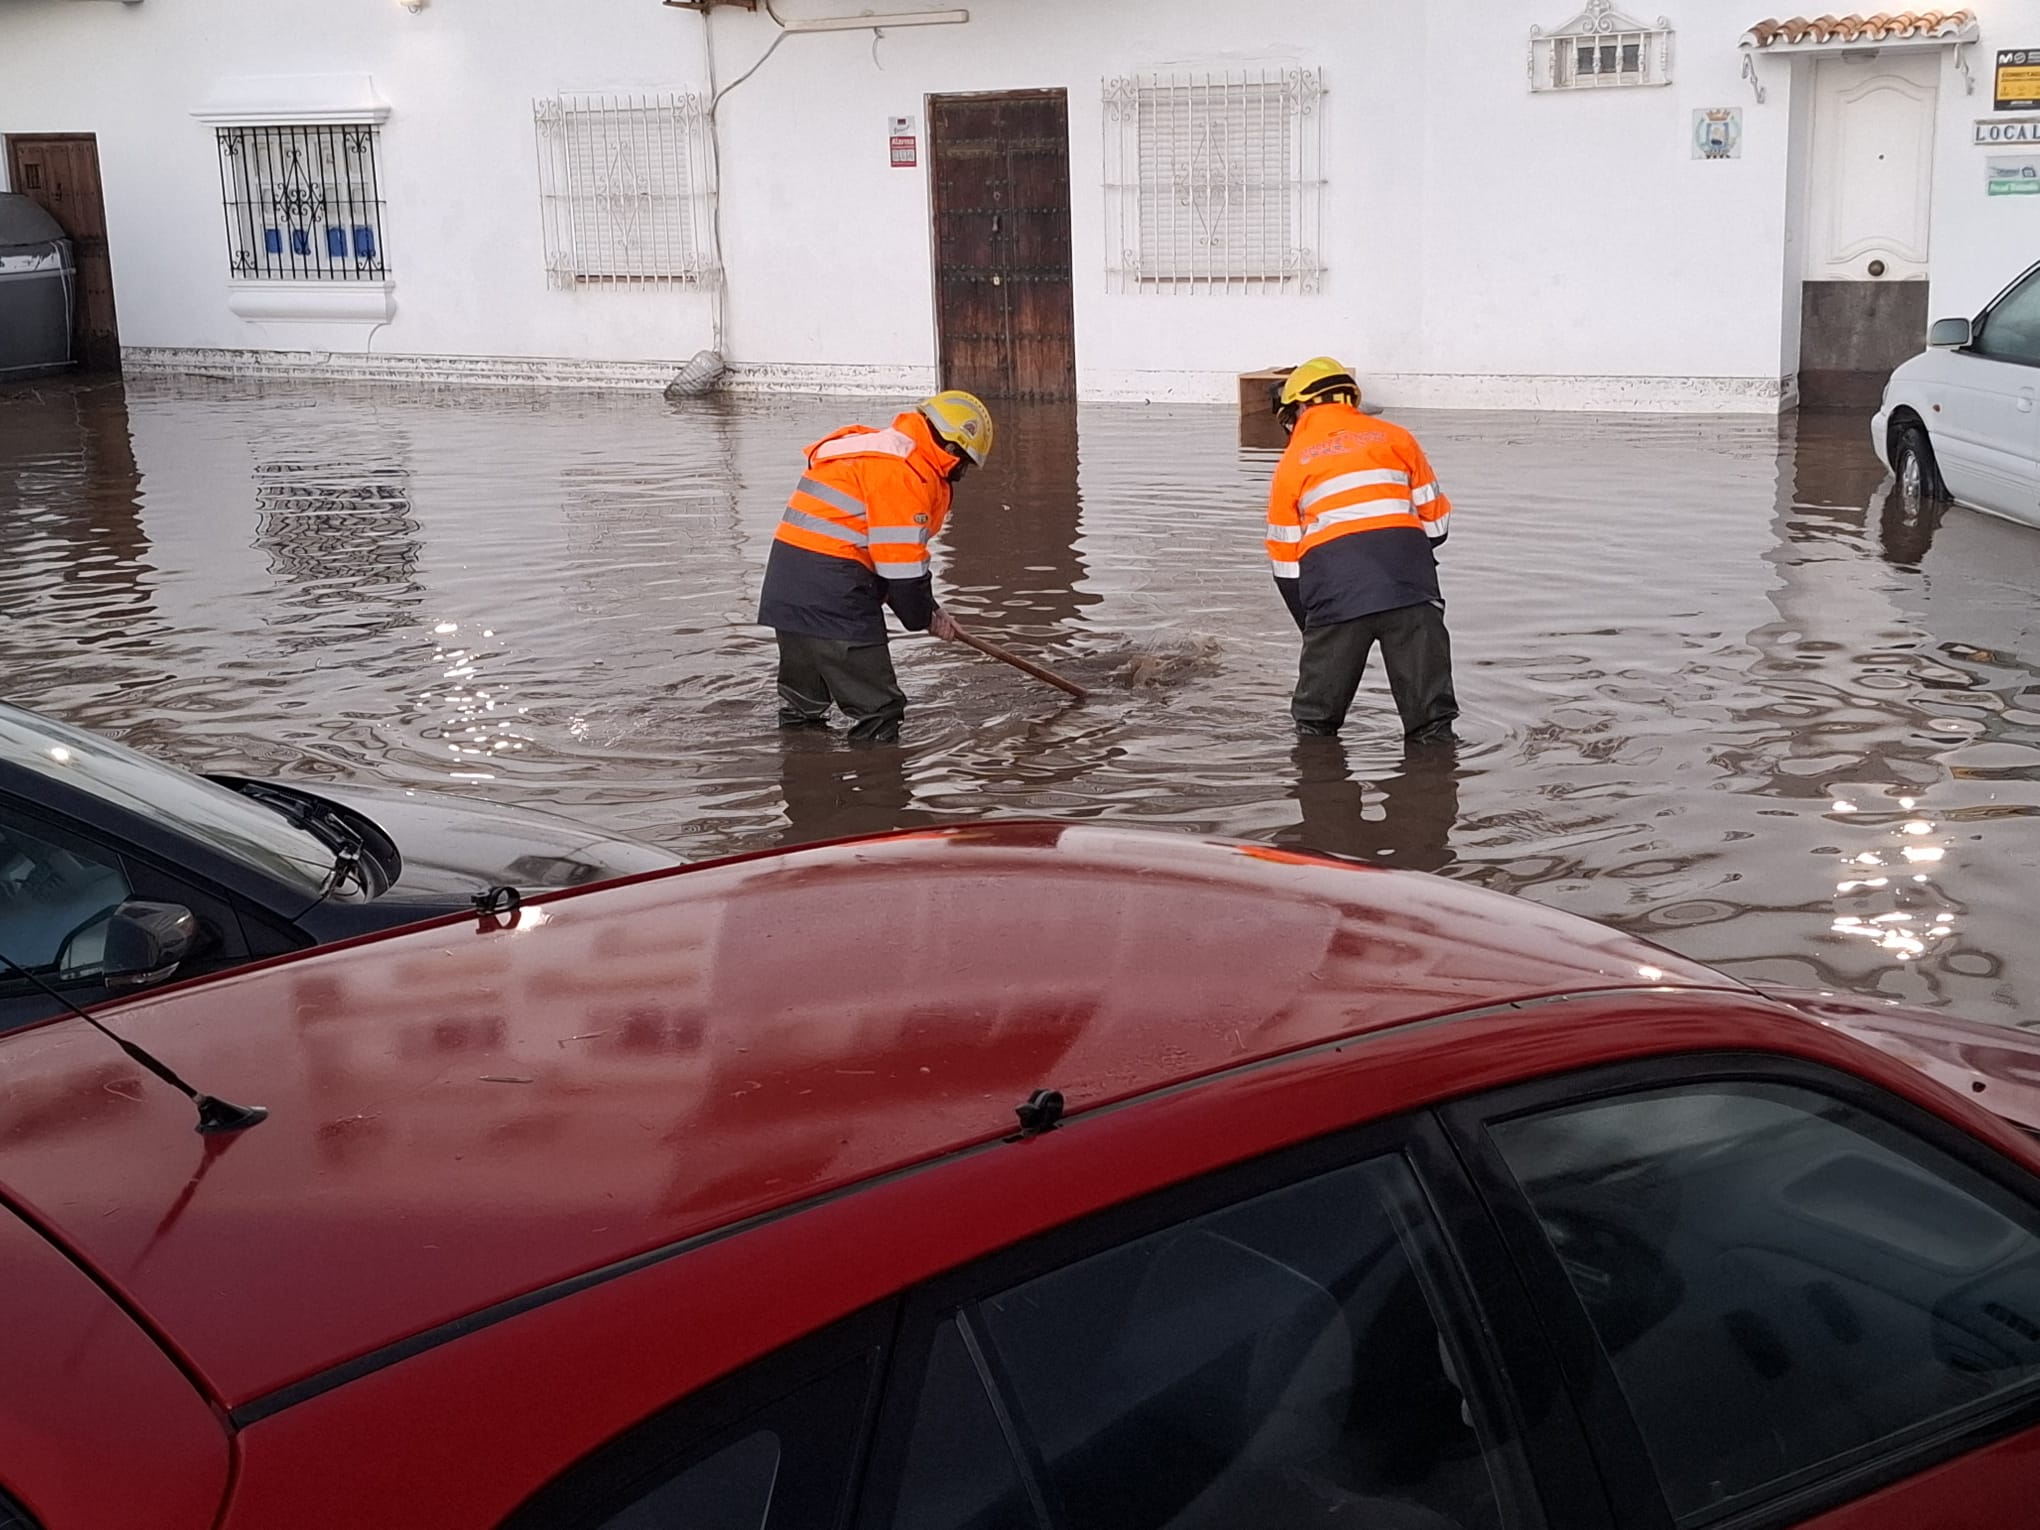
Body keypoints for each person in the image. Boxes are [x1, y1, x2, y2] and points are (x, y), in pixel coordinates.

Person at [758, 391, 994, 742]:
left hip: (785, 590)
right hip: (835, 596)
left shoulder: (875, 449)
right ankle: (878, 793)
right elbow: (900, 570)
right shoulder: (905, 473)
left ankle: (803, 781)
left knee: (802, 708)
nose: (963, 473)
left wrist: (931, 611)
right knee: (879, 712)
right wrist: (922, 617)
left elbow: (885, 560)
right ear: (953, 450)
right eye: (965, 464)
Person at [1265, 357, 1458, 743]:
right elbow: (1436, 528)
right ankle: (1432, 791)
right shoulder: (1398, 438)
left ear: (1301, 408)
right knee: (1432, 726)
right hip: (1412, 592)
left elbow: (1286, 565)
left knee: (1315, 726)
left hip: (1336, 600)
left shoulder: (1291, 463)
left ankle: (1320, 787)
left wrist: (1314, 627)